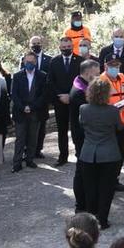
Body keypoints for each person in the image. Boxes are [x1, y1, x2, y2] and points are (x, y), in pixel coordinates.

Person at [74, 81, 124, 229]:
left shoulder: (83, 109)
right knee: (106, 189)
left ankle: (91, 219)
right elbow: (120, 127)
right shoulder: (113, 111)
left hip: (88, 154)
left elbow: (82, 124)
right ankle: (102, 220)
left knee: (90, 188)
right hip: (109, 155)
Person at [40, 37, 81, 166]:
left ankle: (80, 155)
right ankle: (63, 156)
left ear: (72, 46)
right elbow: (50, 81)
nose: (66, 49)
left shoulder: (80, 61)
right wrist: (60, 95)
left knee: (77, 129)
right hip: (60, 101)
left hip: (75, 101)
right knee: (62, 130)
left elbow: (82, 80)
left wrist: (71, 95)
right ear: (60, 47)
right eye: (63, 47)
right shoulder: (54, 61)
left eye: (68, 47)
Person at [7, 51, 49, 171]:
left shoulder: (42, 75)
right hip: (20, 112)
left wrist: (32, 107)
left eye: (31, 61)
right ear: (24, 62)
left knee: (33, 138)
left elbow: (43, 95)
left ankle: (30, 160)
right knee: (20, 138)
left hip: (36, 112)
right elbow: (14, 94)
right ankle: (17, 163)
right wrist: (23, 107)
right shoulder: (17, 76)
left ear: (35, 62)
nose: (29, 63)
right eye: (27, 61)